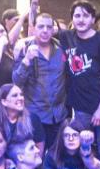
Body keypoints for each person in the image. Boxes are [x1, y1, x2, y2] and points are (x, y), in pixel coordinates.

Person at [55, 0, 100, 142]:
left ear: (93, 19)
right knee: (82, 148)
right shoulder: (66, 37)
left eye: (85, 15)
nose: (81, 20)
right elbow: (39, 32)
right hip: (81, 107)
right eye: (77, 16)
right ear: (72, 19)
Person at [13, 10, 68, 148]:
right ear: (34, 28)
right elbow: (16, 82)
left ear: (53, 29)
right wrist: (26, 60)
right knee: (36, 159)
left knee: (56, 157)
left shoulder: (61, 48)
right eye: (41, 26)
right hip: (35, 115)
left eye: (49, 27)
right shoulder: (25, 48)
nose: (45, 31)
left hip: (59, 114)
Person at [0, 83, 46, 152]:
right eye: (14, 95)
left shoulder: (33, 118)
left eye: (21, 95)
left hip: (26, 161)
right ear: (4, 102)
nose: (20, 98)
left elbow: (39, 145)